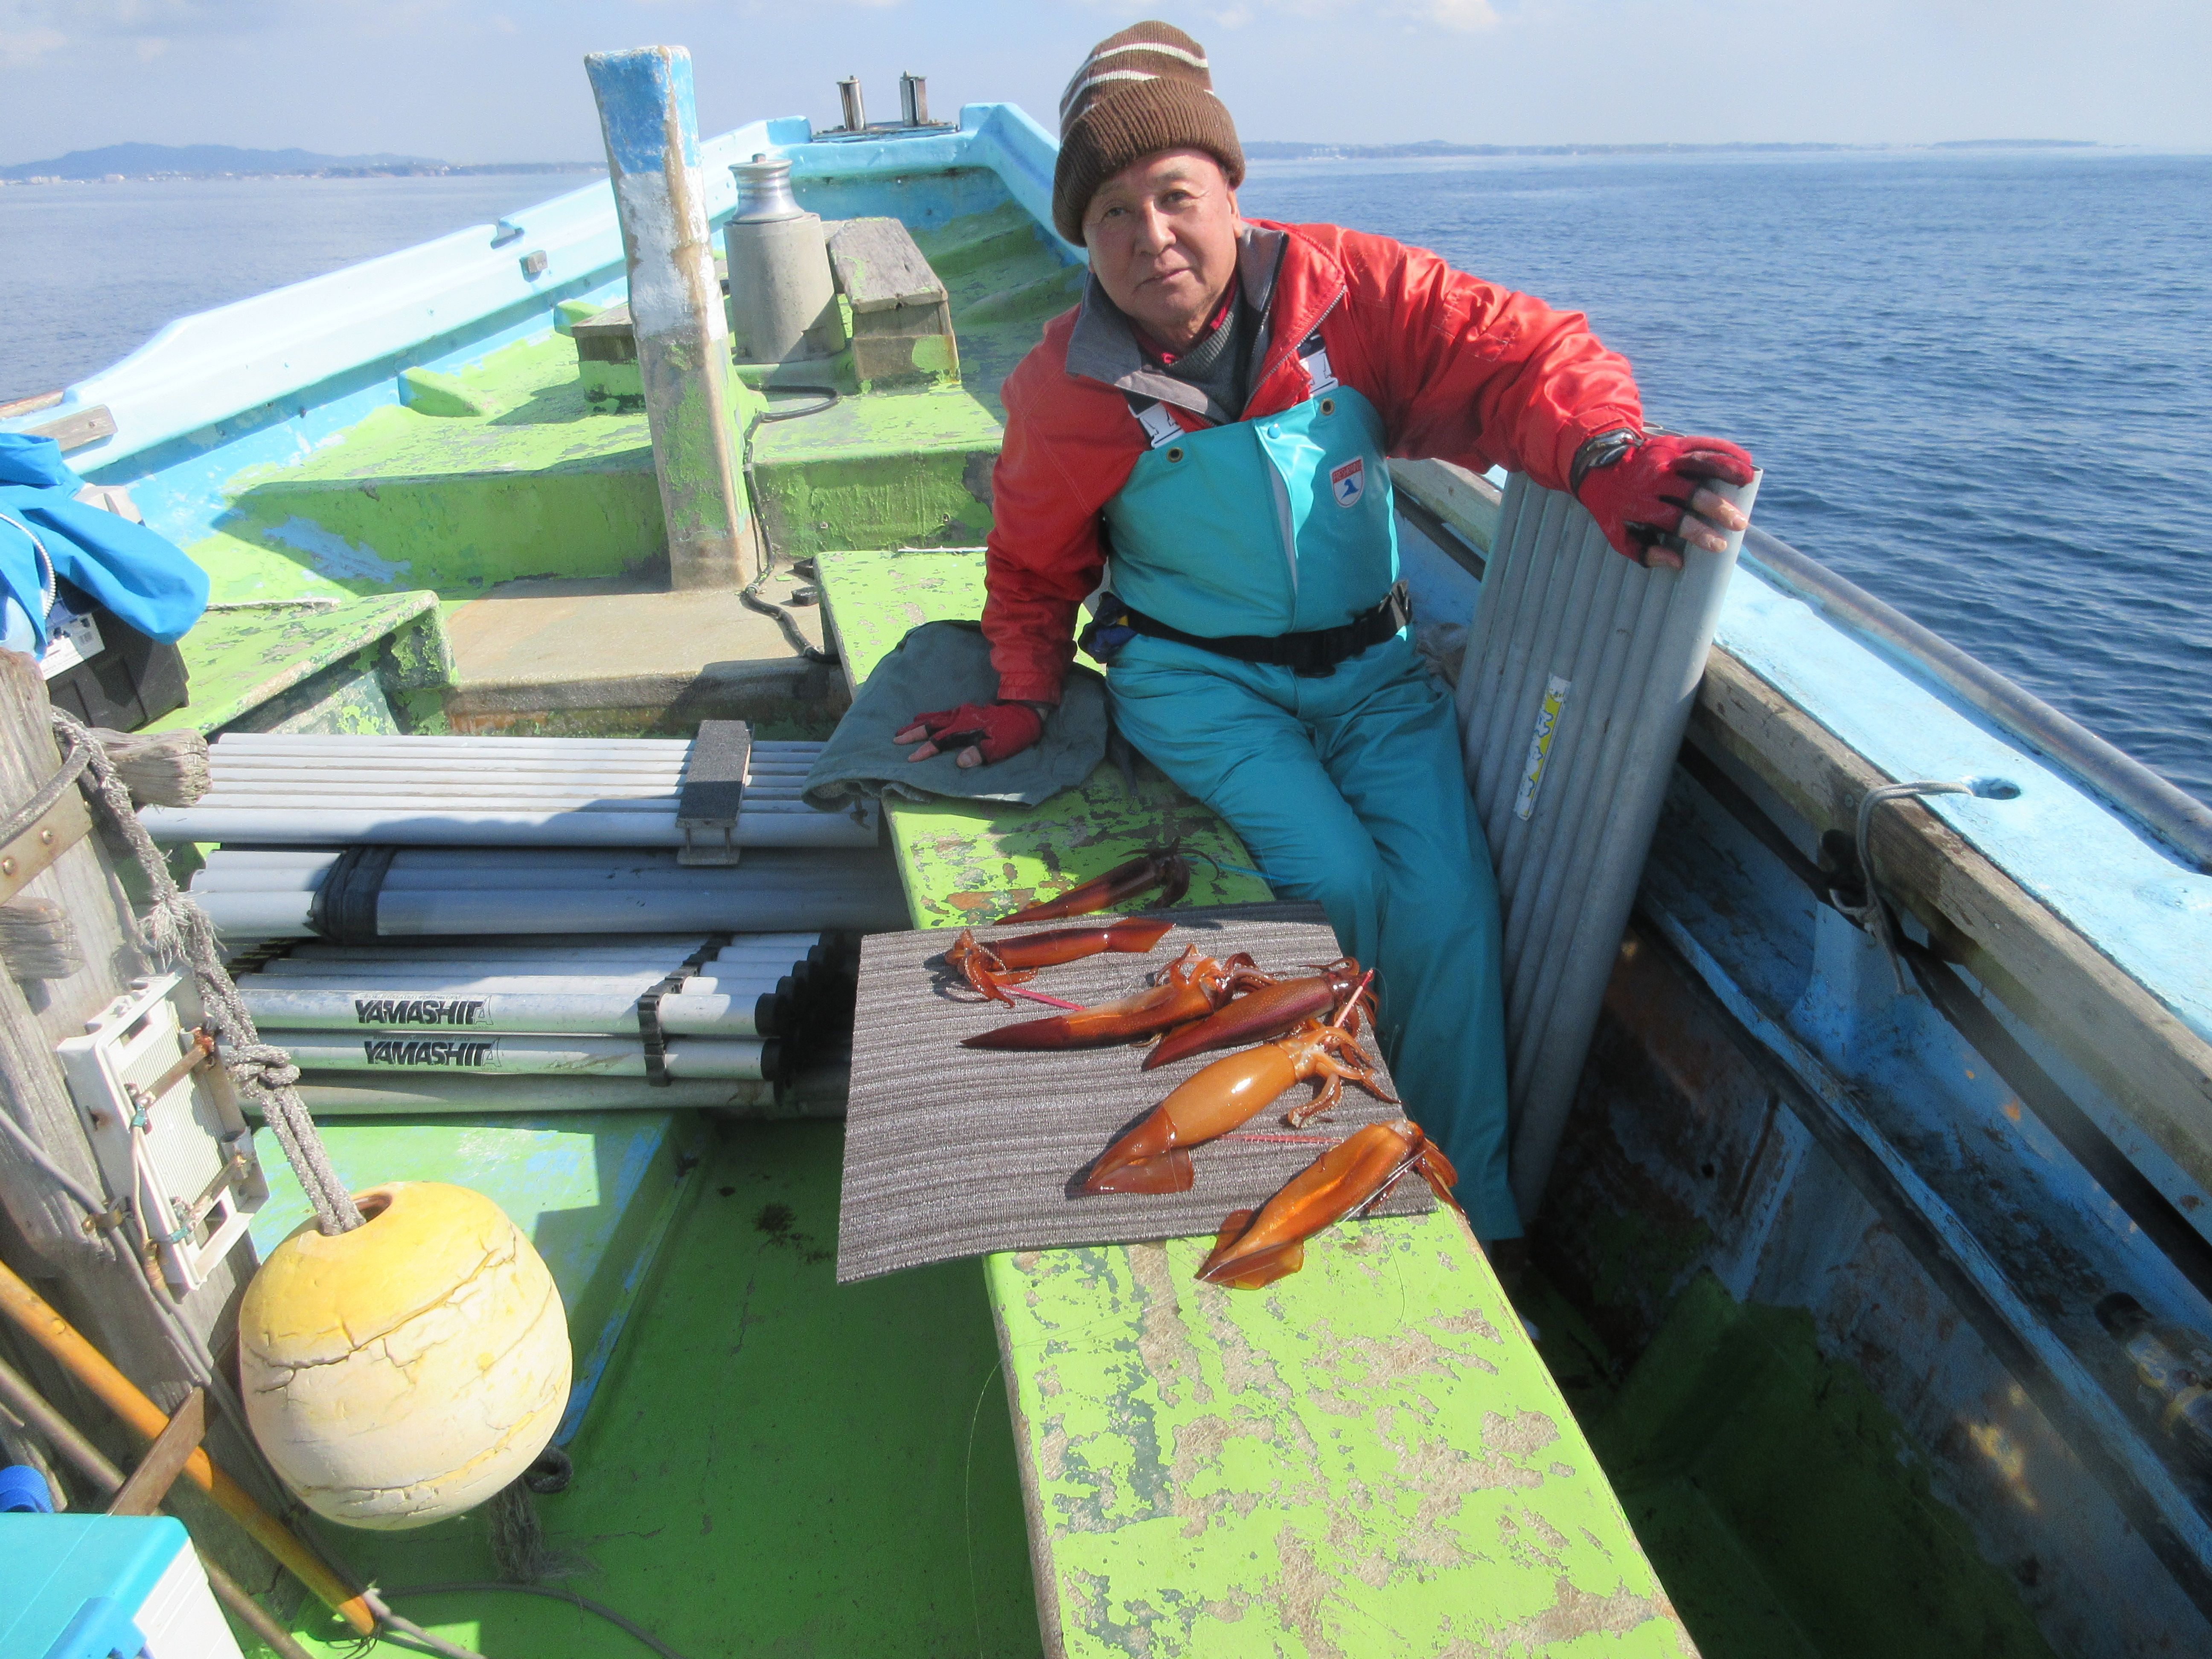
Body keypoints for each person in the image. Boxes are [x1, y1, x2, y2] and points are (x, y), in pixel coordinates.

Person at [896, 20, 1752, 1240]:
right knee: (1334, 884)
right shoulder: (1061, 391)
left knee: (1452, 914)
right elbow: (1034, 570)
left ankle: (1469, 1213)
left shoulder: (1352, 293)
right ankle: (1317, 1175)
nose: (1151, 237)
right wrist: (1024, 692)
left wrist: (1604, 452)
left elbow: (1523, 358)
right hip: (1199, 685)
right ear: (1080, 238)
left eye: (1175, 196)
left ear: (1229, 192)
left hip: (1376, 676)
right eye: (1112, 215)